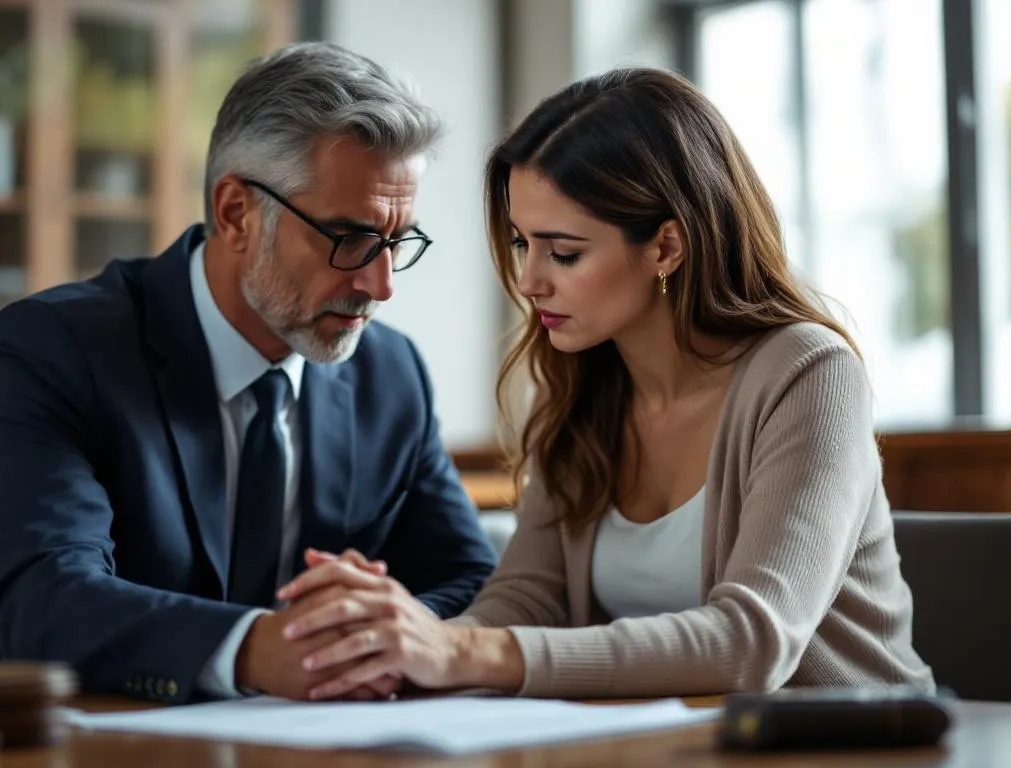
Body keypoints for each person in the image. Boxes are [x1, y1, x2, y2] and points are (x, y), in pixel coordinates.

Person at [275, 67, 936, 701]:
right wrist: (395, 647)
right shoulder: (584, 384)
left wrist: (458, 652)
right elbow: (527, 599)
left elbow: (753, 642)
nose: (530, 281)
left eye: (564, 252)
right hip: (670, 746)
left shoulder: (809, 375)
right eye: (521, 243)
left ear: (666, 248)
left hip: (856, 749)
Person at [0, 42, 498, 704]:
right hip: (19, 735)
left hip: (286, 740)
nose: (382, 285)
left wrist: (381, 630)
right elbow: (46, 599)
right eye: (350, 240)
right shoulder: (54, 349)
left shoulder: (390, 375)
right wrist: (257, 648)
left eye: (397, 242)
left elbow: (474, 582)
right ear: (236, 214)